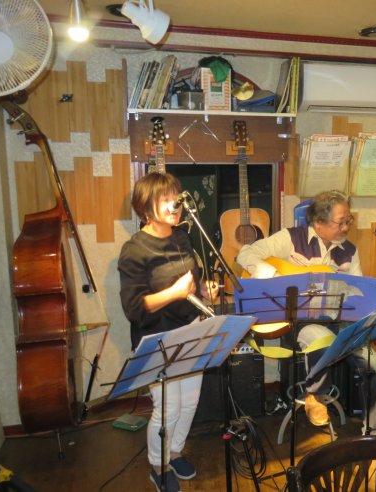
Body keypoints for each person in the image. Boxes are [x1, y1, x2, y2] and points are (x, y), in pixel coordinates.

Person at [236, 190, 376, 435]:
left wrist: (375, 296)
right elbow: (245, 254)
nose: (346, 227)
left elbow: (358, 294)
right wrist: (276, 277)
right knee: (320, 338)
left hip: (337, 323)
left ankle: (374, 434)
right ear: (318, 223)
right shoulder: (291, 238)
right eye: (341, 222)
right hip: (297, 324)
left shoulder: (349, 251)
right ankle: (316, 394)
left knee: (375, 366)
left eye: (349, 220)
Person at [118, 172, 219, 492]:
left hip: (191, 328)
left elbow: (192, 281)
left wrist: (203, 290)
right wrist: (173, 293)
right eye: (165, 200)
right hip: (158, 337)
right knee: (168, 408)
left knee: (189, 402)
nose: (175, 205)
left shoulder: (182, 237)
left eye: (177, 197)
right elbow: (134, 308)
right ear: (145, 208)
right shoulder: (134, 250)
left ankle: (174, 452)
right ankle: (158, 465)